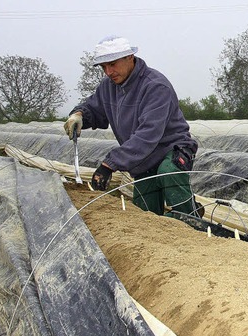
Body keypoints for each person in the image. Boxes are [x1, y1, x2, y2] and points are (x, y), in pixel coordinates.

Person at [63, 35, 203, 217]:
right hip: (144, 159)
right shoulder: (108, 87)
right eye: (104, 67)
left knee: (168, 172)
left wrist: (108, 165)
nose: (108, 72)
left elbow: (147, 135)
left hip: (171, 149)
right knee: (144, 213)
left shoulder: (155, 86)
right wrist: (79, 115)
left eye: (112, 64)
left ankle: (191, 218)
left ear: (130, 57)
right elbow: (93, 108)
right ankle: (172, 223)